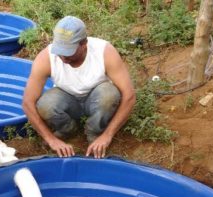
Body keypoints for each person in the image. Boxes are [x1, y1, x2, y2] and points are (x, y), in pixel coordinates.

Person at [23, 16, 135, 159]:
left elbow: (129, 96)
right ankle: (67, 129)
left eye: (69, 52)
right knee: (46, 105)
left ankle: (95, 131)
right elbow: (28, 102)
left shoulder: (104, 52)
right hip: (67, 99)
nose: (63, 58)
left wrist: (108, 135)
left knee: (109, 96)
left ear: (84, 43)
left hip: (97, 98)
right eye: (60, 52)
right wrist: (51, 139)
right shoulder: (46, 58)